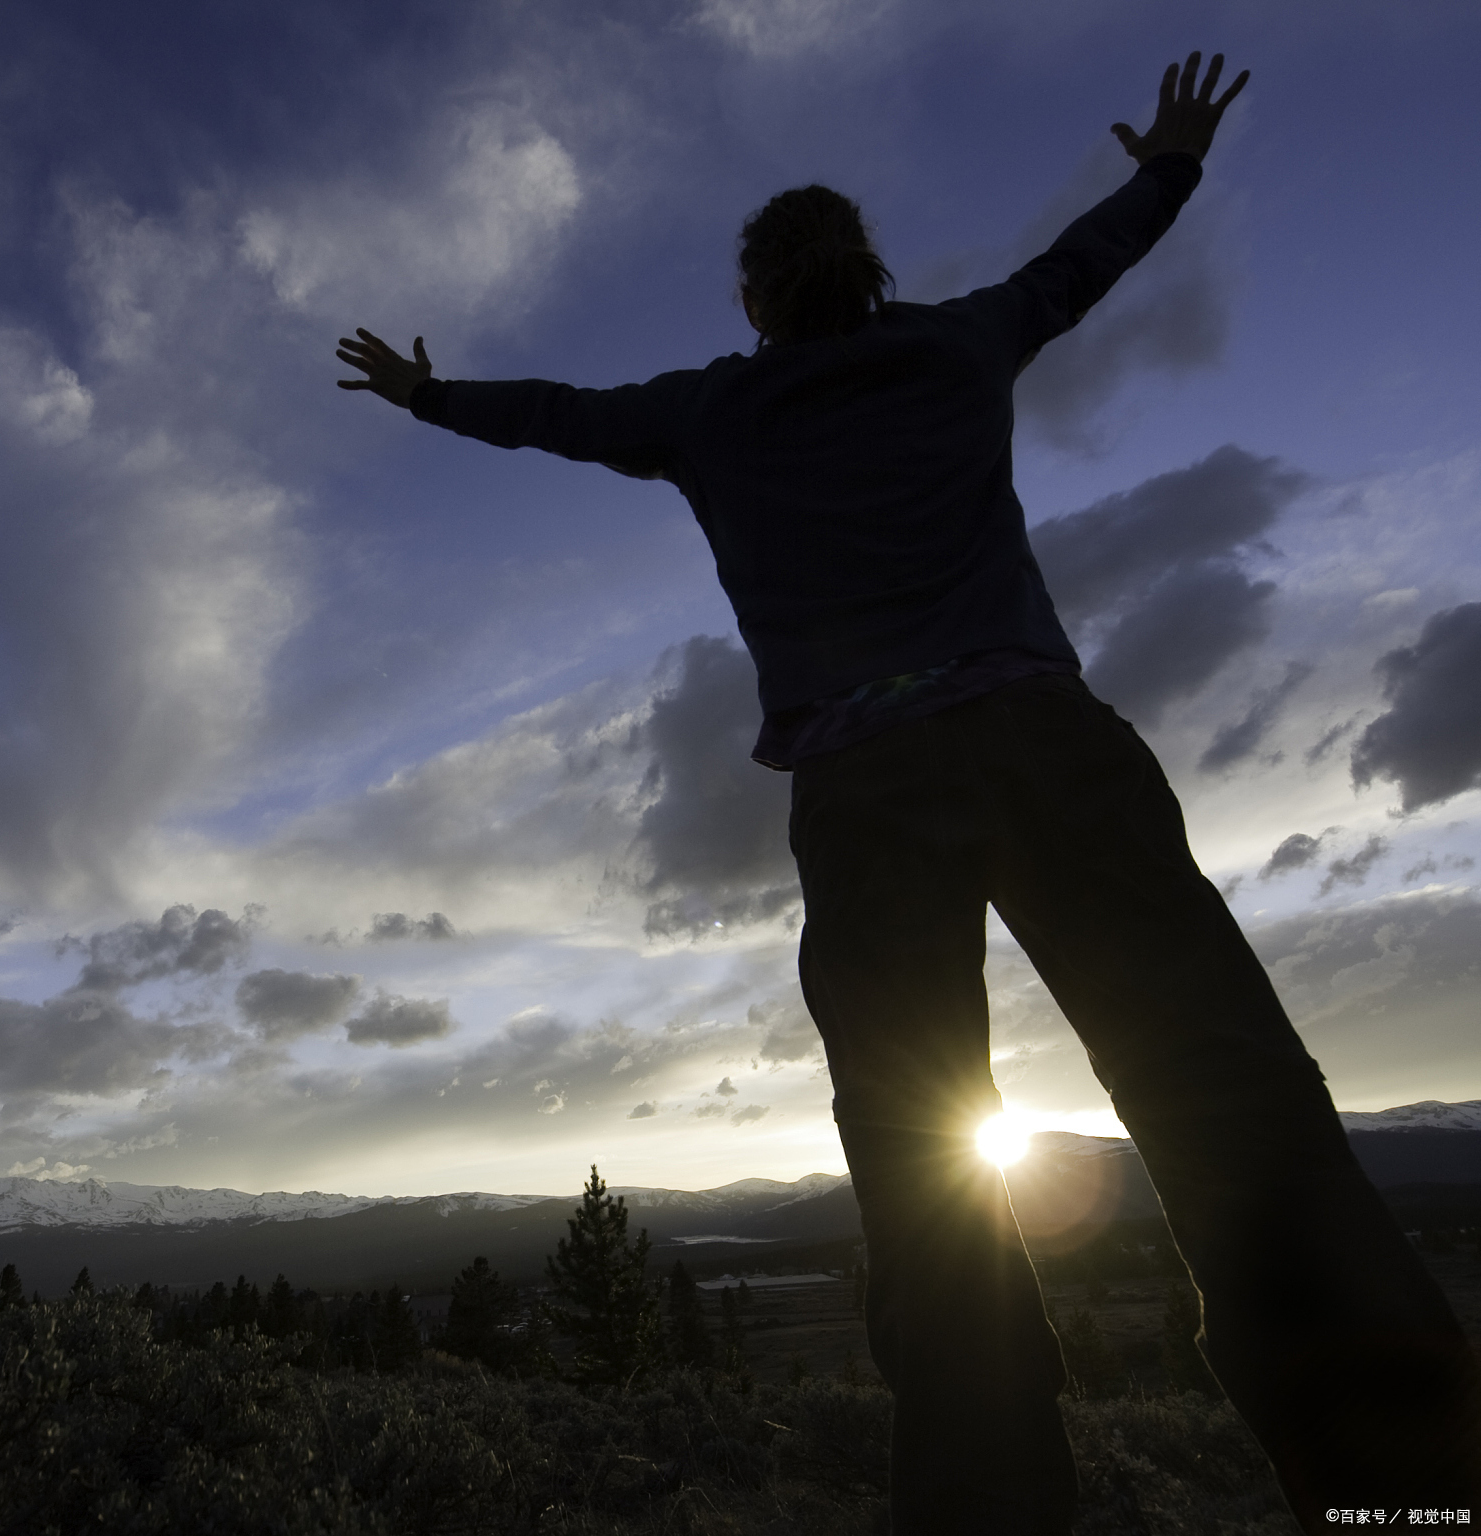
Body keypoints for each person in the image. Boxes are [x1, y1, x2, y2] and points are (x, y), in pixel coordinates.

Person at [337, 53, 1481, 1534]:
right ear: (869, 272)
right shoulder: (956, 344)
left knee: (918, 1151)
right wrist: (1170, 167)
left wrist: (429, 398)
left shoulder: (712, 412)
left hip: (867, 795)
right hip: (1049, 747)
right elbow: (1081, 268)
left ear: (755, 299)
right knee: (1228, 1091)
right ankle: (1408, 1493)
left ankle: (987, 1500)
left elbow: (559, 411)